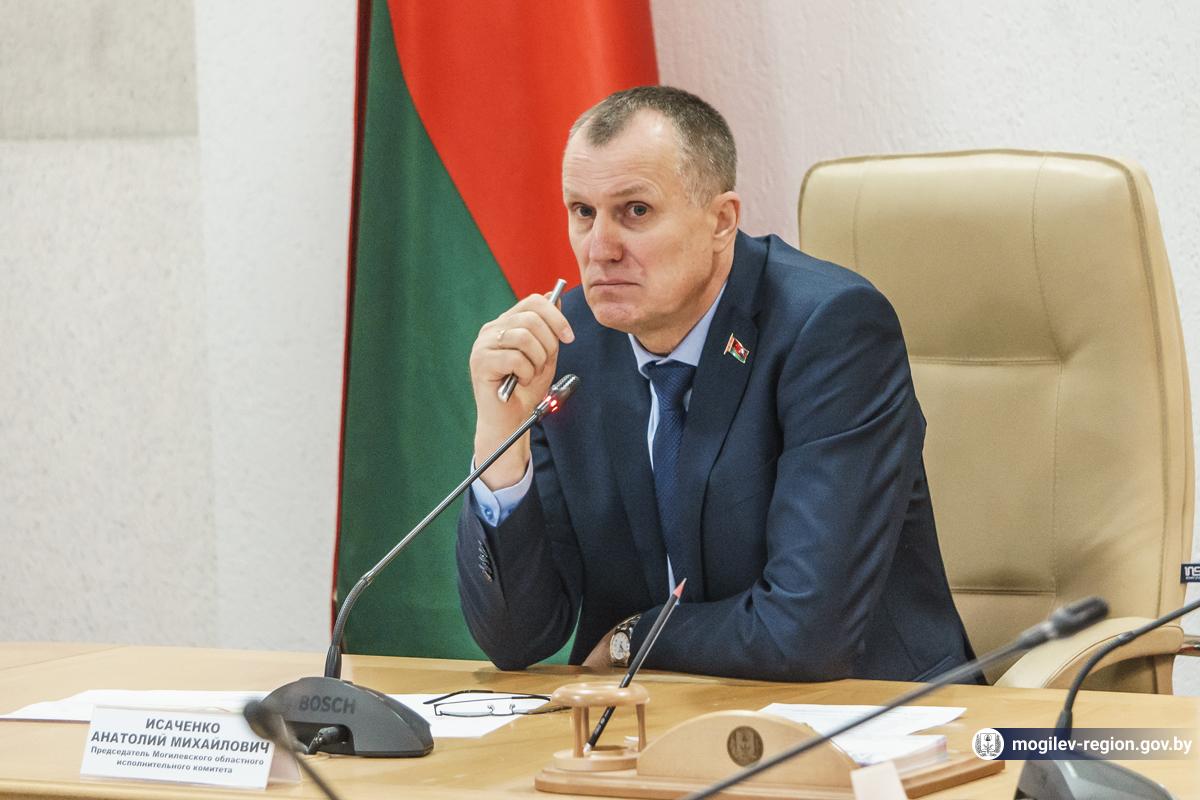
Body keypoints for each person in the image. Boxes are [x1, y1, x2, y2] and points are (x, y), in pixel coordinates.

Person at [455, 85, 973, 682]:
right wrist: (501, 439)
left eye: (635, 211)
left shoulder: (831, 330)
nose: (600, 249)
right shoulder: (569, 343)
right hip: (650, 718)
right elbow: (517, 638)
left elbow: (807, 633)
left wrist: (631, 639)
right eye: (583, 212)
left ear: (721, 221)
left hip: (868, 710)